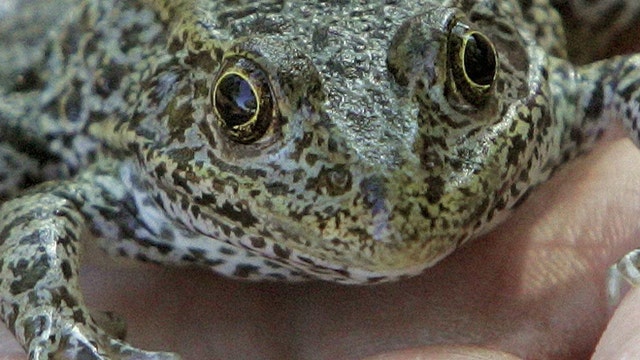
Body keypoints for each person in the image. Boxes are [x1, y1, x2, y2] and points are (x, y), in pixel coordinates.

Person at [1, 126, 639, 359]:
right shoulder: (132, 178)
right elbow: (45, 206)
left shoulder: (549, 100)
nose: (385, 202)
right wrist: (61, 335)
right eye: (243, 108)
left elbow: (621, 79)